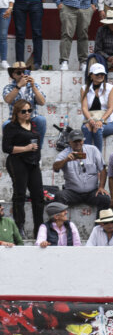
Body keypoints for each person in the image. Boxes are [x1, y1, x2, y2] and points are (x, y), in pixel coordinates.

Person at [2, 98, 43, 234]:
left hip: (33, 163)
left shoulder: (33, 125)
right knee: (20, 194)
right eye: (23, 111)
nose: (27, 113)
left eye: (29, 110)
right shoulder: (11, 126)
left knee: (38, 196)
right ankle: (20, 226)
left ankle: (39, 228)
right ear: (17, 112)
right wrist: (26, 148)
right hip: (17, 161)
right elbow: (6, 148)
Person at [53, 130, 108, 211]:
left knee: (105, 198)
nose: (78, 143)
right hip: (73, 192)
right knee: (59, 196)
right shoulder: (65, 153)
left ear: (83, 140)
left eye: (79, 140)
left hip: (92, 192)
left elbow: (103, 169)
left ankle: (101, 223)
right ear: (70, 142)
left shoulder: (92, 150)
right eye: (75, 141)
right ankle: (63, 223)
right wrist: (66, 160)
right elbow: (55, 167)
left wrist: (101, 187)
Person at [78, 63, 113, 154]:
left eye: (102, 74)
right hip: (90, 120)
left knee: (98, 128)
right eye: (97, 74)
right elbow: (84, 107)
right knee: (87, 128)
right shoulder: (84, 88)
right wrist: (90, 120)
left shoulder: (110, 88)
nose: (100, 76)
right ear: (91, 75)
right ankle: (87, 157)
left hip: (108, 122)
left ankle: (98, 159)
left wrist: (101, 121)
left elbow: (111, 108)